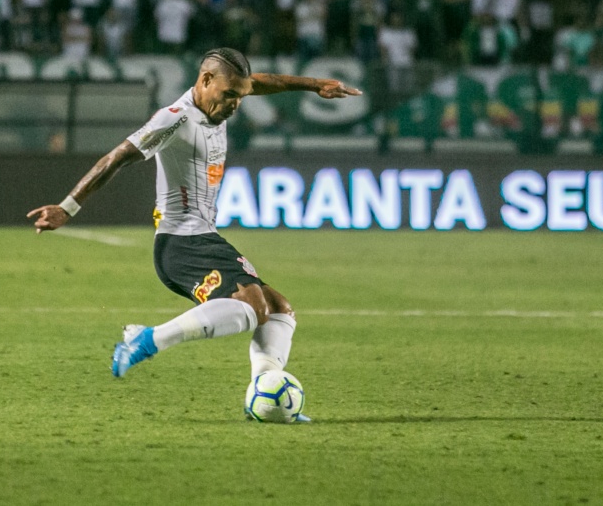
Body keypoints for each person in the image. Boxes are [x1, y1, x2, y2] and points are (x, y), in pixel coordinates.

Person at [27, 48, 361, 421]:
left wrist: (315, 85)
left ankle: (265, 397)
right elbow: (117, 156)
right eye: (229, 95)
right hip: (181, 242)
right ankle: (148, 339)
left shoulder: (225, 97)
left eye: (240, 96)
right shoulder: (175, 118)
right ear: (204, 81)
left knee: (280, 310)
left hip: (203, 236)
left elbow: (260, 82)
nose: (235, 104)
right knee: (254, 307)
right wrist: (67, 207)